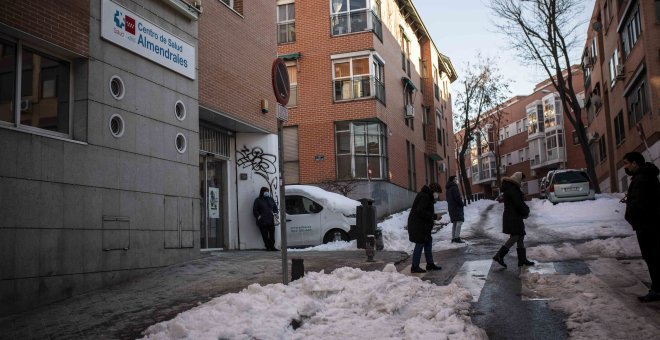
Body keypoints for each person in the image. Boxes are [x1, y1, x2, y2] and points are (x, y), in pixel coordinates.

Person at [622, 151, 660, 302]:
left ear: (635, 163)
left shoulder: (641, 179)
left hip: (647, 225)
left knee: (652, 257)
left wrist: (630, 215)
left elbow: (639, 203)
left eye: (626, 163)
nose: (625, 167)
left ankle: (657, 290)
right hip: (652, 223)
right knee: (654, 256)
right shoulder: (647, 176)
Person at [492, 172, 535, 268]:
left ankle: (522, 260)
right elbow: (518, 203)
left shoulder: (511, 188)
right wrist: (526, 211)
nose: (522, 182)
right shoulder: (513, 189)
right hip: (513, 217)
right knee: (515, 236)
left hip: (513, 216)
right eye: (521, 180)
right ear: (517, 179)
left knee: (520, 236)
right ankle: (499, 255)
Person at [407, 182, 444, 273]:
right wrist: (434, 217)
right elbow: (421, 211)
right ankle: (414, 267)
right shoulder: (424, 196)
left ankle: (430, 264)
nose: (437, 195)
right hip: (418, 225)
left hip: (422, 225)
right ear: (433, 191)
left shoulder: (427, 196)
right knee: (420, 243)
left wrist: (431, 218)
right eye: (437, 192)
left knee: (428, 242)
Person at [253, 187, 279, 251]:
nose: (267, 193)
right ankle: (268, 247)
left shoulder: (271, 199)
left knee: (272, 235)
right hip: (262, 221)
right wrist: (258, 216)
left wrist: (276, 213)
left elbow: (275, 207)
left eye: (267, 191)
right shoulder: (258, 200)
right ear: (262, 192)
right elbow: (255, 210)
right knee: (265, 235)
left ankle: (272, 246)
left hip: (271, 220)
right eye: (265, 191)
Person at [446, 175, 465, 243]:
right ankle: (457, 238)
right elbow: (457, 197)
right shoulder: (454, 188)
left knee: (455, 223)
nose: (456, 180)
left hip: (451, 208)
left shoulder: (448, 189)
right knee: (459, 222)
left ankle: (453, 238)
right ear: (453, 180)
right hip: (456, 207)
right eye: (455, 179)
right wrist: (461, 204)